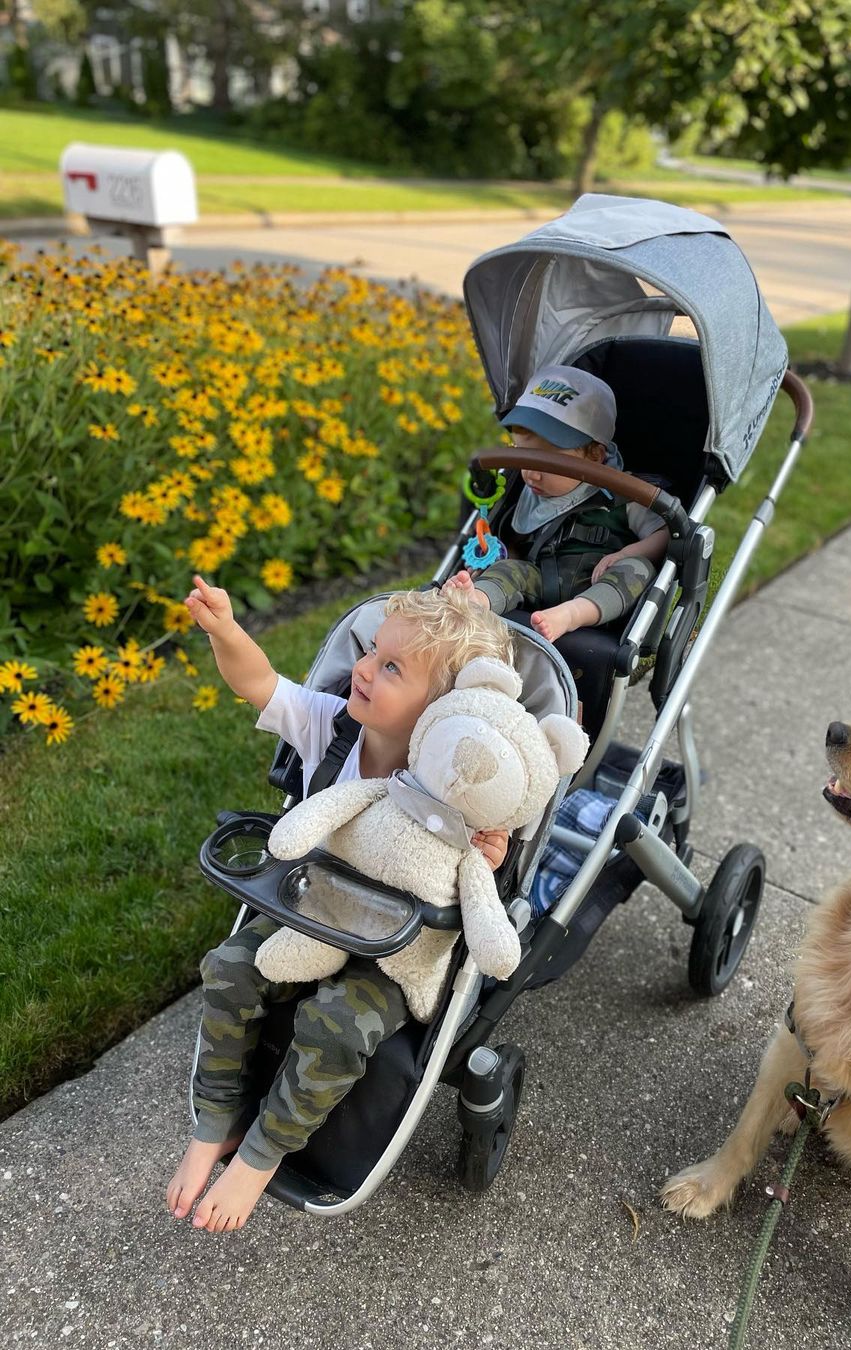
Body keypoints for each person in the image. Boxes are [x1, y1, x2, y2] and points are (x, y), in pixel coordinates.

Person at [166, 580, 514, 1232]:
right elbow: (259, 683)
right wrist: (224, 630)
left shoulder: (460, 782)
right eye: (373, 651)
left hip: (393, 953)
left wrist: (491, 857)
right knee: (229, 968)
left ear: (444, 708)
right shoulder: (333, 726)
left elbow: (480, 873)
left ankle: (263, 1154)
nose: (362, 668)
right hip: (311, 908)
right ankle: (214, 1122)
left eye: (390, 667)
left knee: (337, 1026)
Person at [444, 365, 669, 642]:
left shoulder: (623, 494)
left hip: (598, 585)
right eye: (523, 457)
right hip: (538, 580)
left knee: (638, 569)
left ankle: (571, 614)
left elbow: (665, 532)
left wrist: (627, 553)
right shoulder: (526, 491)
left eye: (548, 462)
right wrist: (492, 566)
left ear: (594, 456)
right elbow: (514, 543)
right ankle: (476, 600)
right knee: (509, 570)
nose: (532, 473)